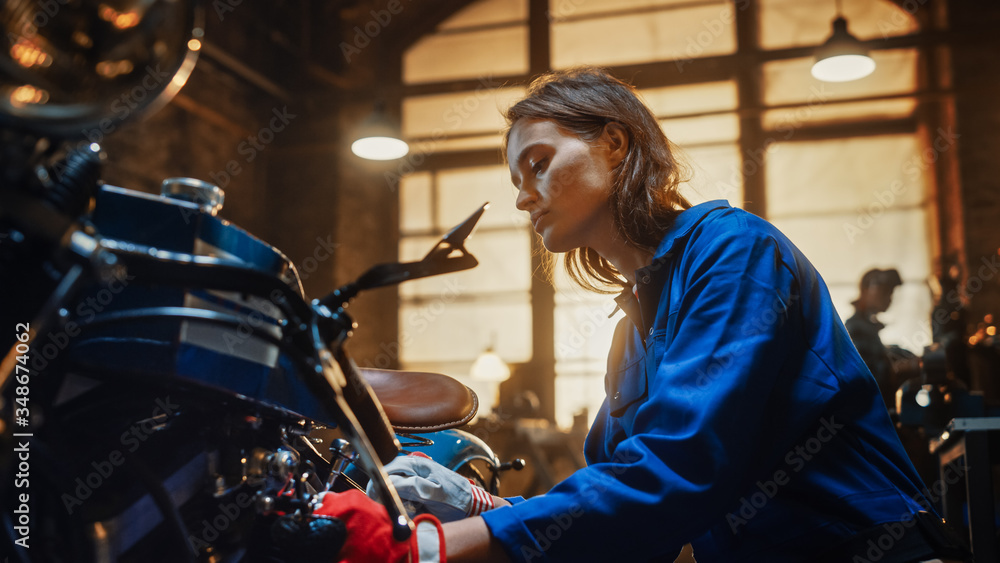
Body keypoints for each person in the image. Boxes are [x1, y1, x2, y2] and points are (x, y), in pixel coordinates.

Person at [317, 67, 966, 563]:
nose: (522, 197)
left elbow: (680, 468)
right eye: (517, 178)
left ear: (616, 144)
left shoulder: (735, 253)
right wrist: (474, 502)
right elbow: (619, 495)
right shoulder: (632, 328)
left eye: (537, 164)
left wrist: (428, 546)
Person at [845, 268, 904, 411]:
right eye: (885, 292)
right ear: (867, 290)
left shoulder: (867, 325)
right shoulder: (856, 327)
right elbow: (867, 373)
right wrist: (899, 368)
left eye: (890, 293)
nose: (889, 298)